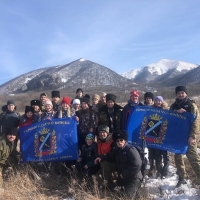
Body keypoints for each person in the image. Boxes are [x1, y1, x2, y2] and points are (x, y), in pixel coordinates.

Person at [95, 130, 142, 197]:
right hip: (123, 178)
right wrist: (101, 158)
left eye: (121, 140)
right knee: (111, 189)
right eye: (117, 141)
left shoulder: (130, 149)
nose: (119, 142)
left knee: (127, 197)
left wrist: (124, 173)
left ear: (125, 140)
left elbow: (137, 165)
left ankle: (141, 191)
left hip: (133, 178)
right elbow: (109, 156)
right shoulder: (117, 150)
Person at [170, 86, 200, 187]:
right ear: (176, 94)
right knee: (178, 158)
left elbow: (196, 122)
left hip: (189, 137)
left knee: (194, 158)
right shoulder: (174, 106)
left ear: (186, 93)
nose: (181, 94)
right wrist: (175, 113)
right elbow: (169, 118)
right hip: (178, 137)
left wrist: (192, 136)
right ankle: (182, 177)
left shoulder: (191, 105)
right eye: (179, 93)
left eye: (182, 93)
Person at [148, 96, 169, 178]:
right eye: (156, 100)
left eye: (159, 101)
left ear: (162, 102)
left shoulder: (166, 111)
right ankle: (156, 169)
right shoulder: (151, 110)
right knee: (154, 153)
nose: (158, 102)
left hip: (163, 134)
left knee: (163, 154)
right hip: (152, 134)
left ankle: (164, 170)